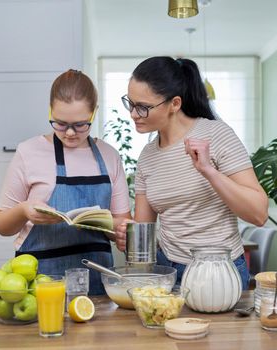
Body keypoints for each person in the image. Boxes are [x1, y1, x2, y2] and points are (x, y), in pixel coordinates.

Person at [115, 57, 268, 290]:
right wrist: (128, 237)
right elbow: (144, 231)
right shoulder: (147, 157)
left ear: (174, 104)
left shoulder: (216, 134)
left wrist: (208, 171)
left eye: (143, 107)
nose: (133, 114)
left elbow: (259, 213)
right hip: (170, 273)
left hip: (221, 272)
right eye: (131, 103)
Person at [0, 69, 131, 295]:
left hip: (96, 281)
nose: (69, 133)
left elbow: (122, 225)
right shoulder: (28, 152)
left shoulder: (109, 156)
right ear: (50, 110)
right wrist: (23, 210)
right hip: (40, 282)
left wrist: (120, 230)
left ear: (94, 113)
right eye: (59, 123)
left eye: (80, 124)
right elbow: (1, 225)